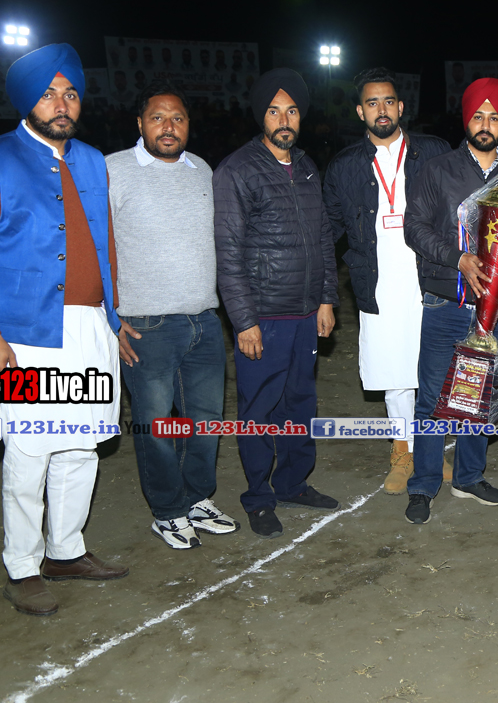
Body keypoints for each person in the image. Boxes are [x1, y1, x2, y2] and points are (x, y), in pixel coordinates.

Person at [0, 43, 130, 616]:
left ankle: (66, 551)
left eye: (71, 93)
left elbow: (105, 247)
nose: (61, 103)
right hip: (23, 335)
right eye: (49, 93)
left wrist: (113, 319)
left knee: (80, 446)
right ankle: (23, 566)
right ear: (27, 101)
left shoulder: (93, 161)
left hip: (90, 328)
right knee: (29, 450)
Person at [107, 79, 237, 550]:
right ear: (140, 123)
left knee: (206, 421)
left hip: (204, 320)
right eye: (158, 118)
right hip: (146, 325)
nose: (168, 127)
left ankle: (197, 498)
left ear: (188, 125)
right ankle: (167, 511)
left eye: (177, 118)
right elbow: (94, 247)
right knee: (158, 427)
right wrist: (109, 317)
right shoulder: (112, 170)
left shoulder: (202, 169)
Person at [213, 68, 340, 540]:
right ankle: (258, 497)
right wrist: (244, 320)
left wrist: (327, 298)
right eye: (274, 111)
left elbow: (323, 238)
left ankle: (292, 483)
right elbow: (227, 252)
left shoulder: (306, 166)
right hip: (264, 317)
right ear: (260, 117)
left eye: (291, 111)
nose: (284, 120)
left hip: (306, 313)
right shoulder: (237, 170)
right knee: (259, 410)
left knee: (300, 403)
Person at [401, 78, 498, 524]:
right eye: (477, 116)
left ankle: (469, 477)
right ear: (466, 120)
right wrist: (459, 259)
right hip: (445, 301)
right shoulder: (438, 170)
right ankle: (423, 484)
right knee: (433, 397)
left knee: (480, 394)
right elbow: (414, 228)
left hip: (495, 306)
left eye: (494, 117)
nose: (485, 124)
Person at [323, 67, 451, 494]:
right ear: (360, 111)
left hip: (429, 278)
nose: (382, 109)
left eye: (389, 101)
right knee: (395, 372)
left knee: (433, 369)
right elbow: (328, 233)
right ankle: (403, 451)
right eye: (372, 102)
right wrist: (322, 291)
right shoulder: (344, 166)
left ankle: (431, 451)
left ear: (401, 107)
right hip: (376, 282)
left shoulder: (434, 152)